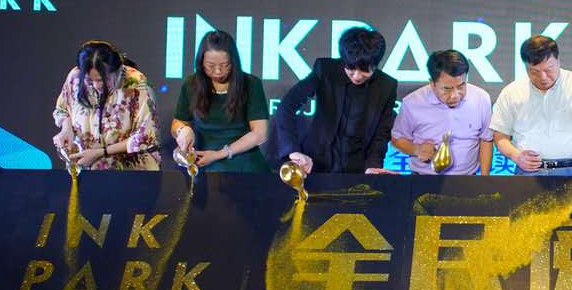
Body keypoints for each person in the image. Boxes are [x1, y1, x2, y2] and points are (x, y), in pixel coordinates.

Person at [275, 26, 397, 177]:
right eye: (351, 68)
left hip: (358, 169)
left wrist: (373, 166)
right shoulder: (326, 70)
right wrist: (293, 151)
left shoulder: (386, 86)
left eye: (365, 70)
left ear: (376, 64)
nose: (357, 76)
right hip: (314, 164)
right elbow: (287, 106)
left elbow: (381, 133)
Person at [490, 35, 572, 176]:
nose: (543, 77)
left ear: (558, 60)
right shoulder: (512, 92)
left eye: (548, 69)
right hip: (529, 172)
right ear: (525, 66)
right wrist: (516, 155)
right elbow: (500, 136)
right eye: (534, 72)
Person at [168, 30, 270, 172]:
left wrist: (220, 154)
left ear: (234, 62)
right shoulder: (191, 84)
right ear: (201, 62)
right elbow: (178, 122)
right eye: (210, 66)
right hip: (203, 162)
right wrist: (183, 130)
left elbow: (260, 133)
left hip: (244, 163)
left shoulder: (251, 84)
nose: (217, 71)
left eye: (225, 65)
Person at [52, 39, 160, 170]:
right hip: (84, 166)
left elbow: (145, 135)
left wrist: (101, 153)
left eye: (102, 79)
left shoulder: (136, 83)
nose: (97, 86)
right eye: (89, 81)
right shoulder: (75, 76)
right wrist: (66, 130)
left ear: (117, 70)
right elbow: (63, 109)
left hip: (129, 170)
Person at [389, 49, 494, 175]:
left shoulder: (481, 99)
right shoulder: (412, 103)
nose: (455, 95)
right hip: (423, 177)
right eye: (447, 89)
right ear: (432, 83)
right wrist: (417, 149)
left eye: (461, 86)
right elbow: (397, 139)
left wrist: (485, 178)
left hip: (467, 178)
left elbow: (486, 139)